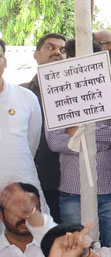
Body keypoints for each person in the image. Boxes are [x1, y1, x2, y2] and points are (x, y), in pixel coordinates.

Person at [0, 40, 47, 216]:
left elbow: (31, 142)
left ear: (5, 61)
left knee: (32, 237)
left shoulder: (26, 97)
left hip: (22, 185)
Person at [26, 32, 67, 219]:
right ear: (36, 54)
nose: (57, 52)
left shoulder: (77, 93)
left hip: (67, 185)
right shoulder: (21, 93)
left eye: (62, 49)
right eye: (51, 47)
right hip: (29, 179)